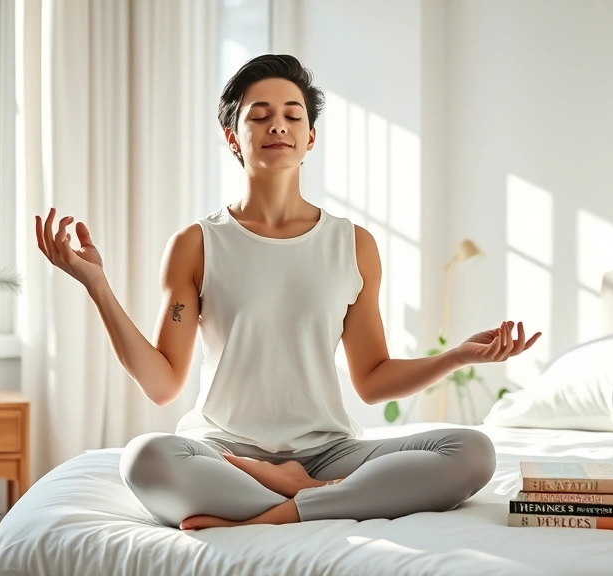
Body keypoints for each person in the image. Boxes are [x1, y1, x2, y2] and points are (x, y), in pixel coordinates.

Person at [35, 54, 541, 531]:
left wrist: (454, 357)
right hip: (223, 450)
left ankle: (282, 509)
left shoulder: (352, 244)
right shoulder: (198, 243)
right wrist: (97, 286)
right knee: (146, 458)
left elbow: (372, 377)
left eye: (292, 115)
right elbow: (163, 383)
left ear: (310, 138)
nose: (277, 125)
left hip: (330, 452)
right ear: (233, 136)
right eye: (259, 115)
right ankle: (315, 496)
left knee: (472, 451)